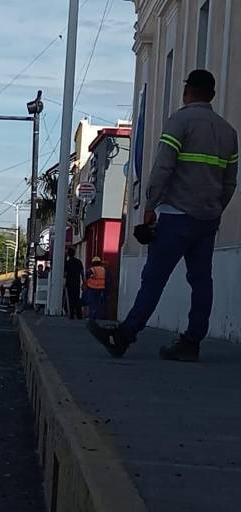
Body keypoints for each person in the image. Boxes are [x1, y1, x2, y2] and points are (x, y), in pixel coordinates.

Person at [89, 69, 238, 362]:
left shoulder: (179, 122)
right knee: (201, 280)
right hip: (206, 219)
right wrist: (215, 209)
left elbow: (162, 168)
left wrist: (149, 205)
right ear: (212, 94)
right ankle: (192, 341)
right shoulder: (228, 133)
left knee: (154, 279)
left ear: (188, 91)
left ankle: (124, 335)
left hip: (175, 215)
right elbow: (230, 182)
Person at [64, 248, 84, 320]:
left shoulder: (67, 262)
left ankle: (71, 314)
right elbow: (82, 273)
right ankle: (79, 315)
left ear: (68, 254)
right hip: (77, 283)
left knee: (70, 299)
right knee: (77, 299)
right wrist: (84, 282)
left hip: (69, 283)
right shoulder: (79, 262)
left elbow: (65, 274)